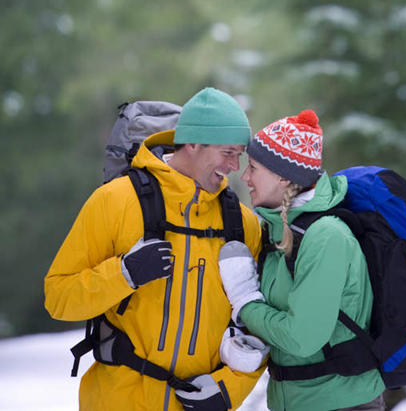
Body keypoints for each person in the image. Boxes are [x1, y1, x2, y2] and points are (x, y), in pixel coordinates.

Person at [44, 87, 265, 411]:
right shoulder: (116, 201)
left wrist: (229, 390)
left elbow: (258, 325)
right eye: (227, 152)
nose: (235, 166)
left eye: (239, 154)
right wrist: (124, 274)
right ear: (193, 143)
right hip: (117, 402)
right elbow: (58, 298)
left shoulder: (242, 224)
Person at [219, 109, 386, 411]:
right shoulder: (280, 230)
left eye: (253, 168)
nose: (245, 177)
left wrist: (245, 302)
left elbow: (302, 339)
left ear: (284, 177)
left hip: (340, 402)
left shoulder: (325, 236)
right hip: (300, 401)